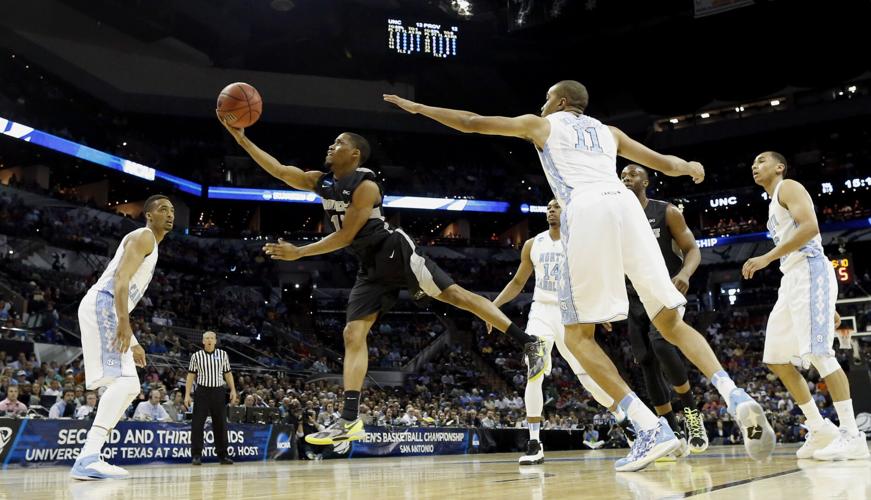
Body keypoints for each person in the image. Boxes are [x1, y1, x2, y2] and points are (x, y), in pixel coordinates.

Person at [384, 80, 774, 471]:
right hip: (626, 207)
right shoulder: (610, 132)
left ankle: (651, 429)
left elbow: (472, 122)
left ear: (561, 102)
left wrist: (420, 110)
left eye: (546, 98)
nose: (541, 104)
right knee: (670, 321)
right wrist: (690, 168)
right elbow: (665, 164)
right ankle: (733, 392)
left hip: (587, 208)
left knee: (577, 335)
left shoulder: (544, 125)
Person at [218, 114, 547, 446]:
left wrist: (299, 252)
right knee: (352, 332)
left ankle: (528, 342)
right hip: (369, 267)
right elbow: (278, 170)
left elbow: (346, 236)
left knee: (457, 296)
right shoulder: (322, 182)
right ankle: (349, 420)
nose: (331, 147)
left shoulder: (366, 185)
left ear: (355, 154)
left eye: (339, 143)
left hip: (393, 251)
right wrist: (242, 139)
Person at [743, 151, 869, 461]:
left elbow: (811, 227)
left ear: (780, 166)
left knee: (819, 353)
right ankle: (819, 427)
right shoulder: (772, 202)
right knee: (776, 359)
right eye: (753, 163)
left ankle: (852, 434)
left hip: (809, 269)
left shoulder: (788, 187)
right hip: (793, 280)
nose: (755, 166)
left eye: (761, 161)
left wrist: (766, 257)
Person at [489, 198, 630, 465]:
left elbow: (592, 279)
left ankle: (623, 419)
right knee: (534, 372)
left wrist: (600, 312)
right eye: (549, 207)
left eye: (557, 206)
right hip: (541, 312)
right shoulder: (533, 244)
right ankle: (534, 443)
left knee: (588, 377)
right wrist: (493, 306)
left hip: (570, 314)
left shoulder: (578, 241)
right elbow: (518, 281)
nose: (552, 209)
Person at [70, 195, 174, 480]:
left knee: (129, 386)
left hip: (108, 308)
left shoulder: (151, 245)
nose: (170, 214)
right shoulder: (144, 236)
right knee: (127, 382)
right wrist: (125, 324)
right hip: (103, 303)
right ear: (148, 215)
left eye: (172, 210)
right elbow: (120, 280)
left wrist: (135, 339)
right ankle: (88, 457)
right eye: (163, 209)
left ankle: (90, 455)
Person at [620, 165, 709, 455]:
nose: (626, 178)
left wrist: (684, 274)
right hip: (633, 299)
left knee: (661, 344)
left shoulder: (666, 211)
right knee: (645, 361)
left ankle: (693, 416)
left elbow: (693, 249)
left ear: (645, 181)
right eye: (622, 175)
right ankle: (669, 432)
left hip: (664, 291)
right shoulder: (616, 218)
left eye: (632, 175)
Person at [184, 330, 237, 465]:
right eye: (206, 338)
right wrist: (187, 394)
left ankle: (223, 455)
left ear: (215, 341)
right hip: (202, 392)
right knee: (197, 424)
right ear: (202, 341)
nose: (209, 340)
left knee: (220, 424)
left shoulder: (223, 354)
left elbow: (228, 373)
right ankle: (196, 455)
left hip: (218, 391)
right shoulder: (196, 356)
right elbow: (190, 376)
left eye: (211, 338)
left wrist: (233, 390)